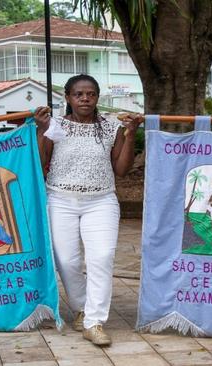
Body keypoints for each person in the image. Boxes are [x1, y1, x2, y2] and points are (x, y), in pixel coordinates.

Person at [34, 74, 142, 346]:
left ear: (97, 98)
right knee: (67, 262)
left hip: (101, 201)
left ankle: (94, 322)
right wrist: (40, 129)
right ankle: (82, 307)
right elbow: (40, 162)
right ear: (68, 98)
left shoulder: (110, 127)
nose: (85, 98)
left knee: (102, 257)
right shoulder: (55, 125)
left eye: (91, 94)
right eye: (79, 94)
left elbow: (121, 169)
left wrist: (131, 135)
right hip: (59, 200)